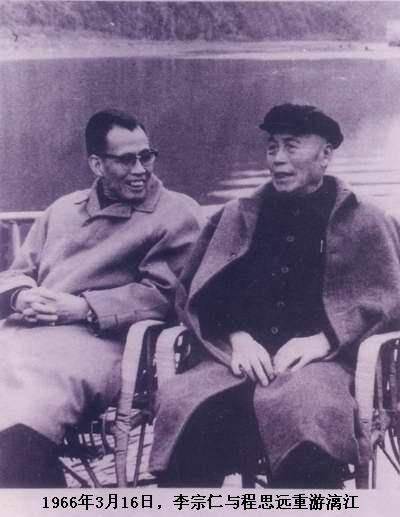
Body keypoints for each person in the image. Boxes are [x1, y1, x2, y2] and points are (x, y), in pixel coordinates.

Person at [149, 103, 400, 488]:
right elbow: (201, 291)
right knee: (183, 404)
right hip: (234, 363)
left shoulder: (365, 220)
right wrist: (237, 337)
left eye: (291, 146)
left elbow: (389, 299)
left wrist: (325, 338)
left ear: (325, 155)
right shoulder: (237, 215)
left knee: (306, 415)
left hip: (324, 365)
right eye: (272, 147)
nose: (277, 159)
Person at [0, 108, 202, 487]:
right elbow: (17, 272)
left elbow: (168, 295)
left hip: (101, 343)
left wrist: (83, 307)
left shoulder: (177, 214)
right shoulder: (62, 209)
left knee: (23, 421)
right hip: (23, 332)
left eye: (146, 156)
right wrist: (20, 298)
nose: (141, 170)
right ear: (96, 164)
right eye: (126, 160)